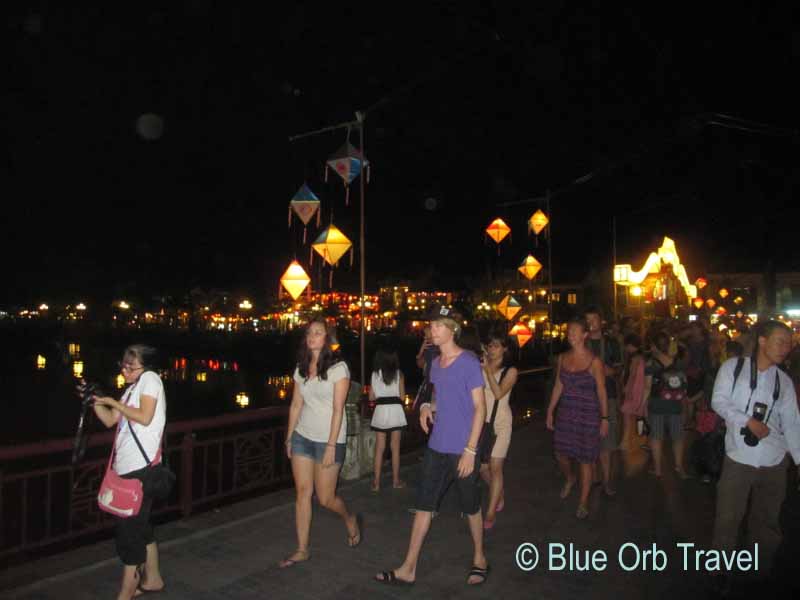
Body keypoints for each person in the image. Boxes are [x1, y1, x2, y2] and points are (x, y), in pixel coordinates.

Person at [375, 305, 489, 586]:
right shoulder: (436, 363)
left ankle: (479, 557)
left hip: (463, 447)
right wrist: (427, 405)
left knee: (470, 505)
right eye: (431, 325)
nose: (431, 330)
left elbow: (480, 409)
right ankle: (408, 567)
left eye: (438, 325)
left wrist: (470, 451)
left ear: (453, 330)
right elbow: (439, 396)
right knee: (424, 504)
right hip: (437, 446)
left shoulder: (469, 362)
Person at [710, 320, 800, 592]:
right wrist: (748, 421)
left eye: (789, 343)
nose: (786, 348)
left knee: (767, 520)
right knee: (728, 518)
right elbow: (718, 401)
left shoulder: (783, 381)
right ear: (762, 340)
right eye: (780, 341)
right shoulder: (733, 368)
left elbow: (793, 423)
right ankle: (720, 569)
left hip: (774, 460)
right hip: (738, 457)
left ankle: (758, 571)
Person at [87, 344, 167, 599]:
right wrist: (96, 401)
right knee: (140, 528)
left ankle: (125, 594)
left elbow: (144, 417)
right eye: (123, 364)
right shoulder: (133, 388)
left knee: (129, 535)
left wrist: (113, 402)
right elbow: (111, 420)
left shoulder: (151, 380)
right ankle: (152, 579)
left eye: (130, 366)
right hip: (128, 468)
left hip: (140, 471)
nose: (124, 369)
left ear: (146, 367)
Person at [281, 317, 361, 568]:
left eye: (318, 333)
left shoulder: (339, 369)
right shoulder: (301, 368)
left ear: (327, 338)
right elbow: (296, 404)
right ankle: (302, 549)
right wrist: (289, 436)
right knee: (303, 493)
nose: (312, 336)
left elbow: (338, 411)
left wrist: (330, 446)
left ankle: (349, 518)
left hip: (329, 440)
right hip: (303, 436)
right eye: (309, 333)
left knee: (326, 498)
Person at [546, 317, 609, 519]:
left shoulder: (594, 361)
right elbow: (558, 385)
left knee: (585, 458)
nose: (570, 335)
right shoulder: (563, 358)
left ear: (584, 335)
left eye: (574, 332)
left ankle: (583, 501)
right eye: (569, 331)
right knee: (560, 453)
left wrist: (605, 418)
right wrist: (550, 410)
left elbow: (601, 390)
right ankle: (570, 477)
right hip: (566, 412)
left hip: (588, 414)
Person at [479, 331, 518, 530]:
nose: (491, 349)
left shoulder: (510, 371)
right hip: (481, 423)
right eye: (489, 345)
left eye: (496, 345)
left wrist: (486, 371)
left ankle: (490, 512)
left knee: (495, 466)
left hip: (501, 423)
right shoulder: (481, 367)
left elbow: (498, 393)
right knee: (482, 468)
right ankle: (499, 491)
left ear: (505, 348)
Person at [584, 306, 622, 495]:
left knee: (607, 441)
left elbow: (619, 369)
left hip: (608, 396)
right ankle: (592, 478)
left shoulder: (612, 343)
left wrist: (609, 371)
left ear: (601, 322)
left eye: (594, 319)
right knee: (589, 440)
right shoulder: (580, 343)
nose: (591, 324)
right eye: (587, 320)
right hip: (586, 398)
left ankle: (606, 481)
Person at [645, 331, 689, 478]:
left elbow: (647, 387)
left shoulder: (651, 363)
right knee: (678, 437)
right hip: (676, 404)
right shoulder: (678, 362)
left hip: (657, 404)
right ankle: (679, 467)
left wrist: (643, 405)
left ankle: (658, 470)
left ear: (655, 346)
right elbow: (685, 384)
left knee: (656, 437)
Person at [369, 348, 407, 491]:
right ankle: (396, 481)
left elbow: (371, 397)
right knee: (395, 448)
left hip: (380, 411)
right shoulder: (399, 374)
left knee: (379, 448)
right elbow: (403, 397)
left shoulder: (375, 374)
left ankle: (376, 483)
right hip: (396, 411)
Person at [619, 333, 647, 450]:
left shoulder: (635, 358)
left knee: (627, 415)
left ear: (630, 345)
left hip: (634, 389)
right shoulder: (644, 357)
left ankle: (625, 441)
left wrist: (626, 387)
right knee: (641, 415)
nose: (625, 348)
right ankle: (642, 439)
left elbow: (632, 375)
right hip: (642, 389)